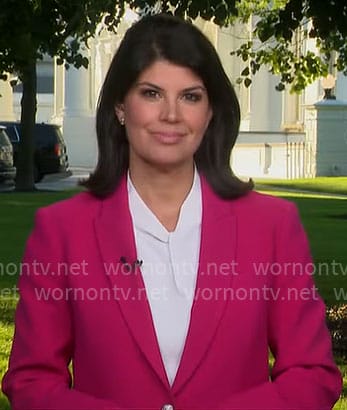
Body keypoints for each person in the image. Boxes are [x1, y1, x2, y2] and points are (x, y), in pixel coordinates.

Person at [2, 13, 342, 410]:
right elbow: (32, 380)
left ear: (211, 111)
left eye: (190, 96)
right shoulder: (60, 231)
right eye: (151, 93)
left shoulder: (272, 227)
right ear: (119, 106)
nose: (171, 115)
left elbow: (312, 374)